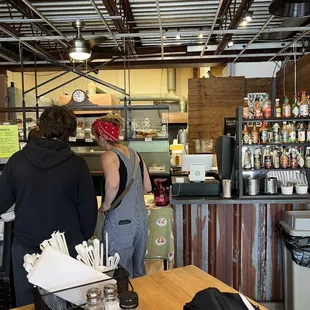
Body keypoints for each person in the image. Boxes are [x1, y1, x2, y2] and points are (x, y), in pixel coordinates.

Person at [0, 105, 98, 307]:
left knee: (28, 303)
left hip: (26, 247)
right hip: (67, 248)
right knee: (67, 302)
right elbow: (88, 212)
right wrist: (81, 239)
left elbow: (1, 202)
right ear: (70, 132)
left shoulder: (17, 160)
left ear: (41, 127)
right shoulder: (77, 165)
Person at [92, 114, 152, 278]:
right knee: (139, 271)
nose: (96, 142)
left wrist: (105, 206)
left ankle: (123, 304)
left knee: (120, 273)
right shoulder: (136, 154)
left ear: (103, 136)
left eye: (96, 137)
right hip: (141, 222)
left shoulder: (108, 156)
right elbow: (147, 187)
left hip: (120, 223)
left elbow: (113, 184)